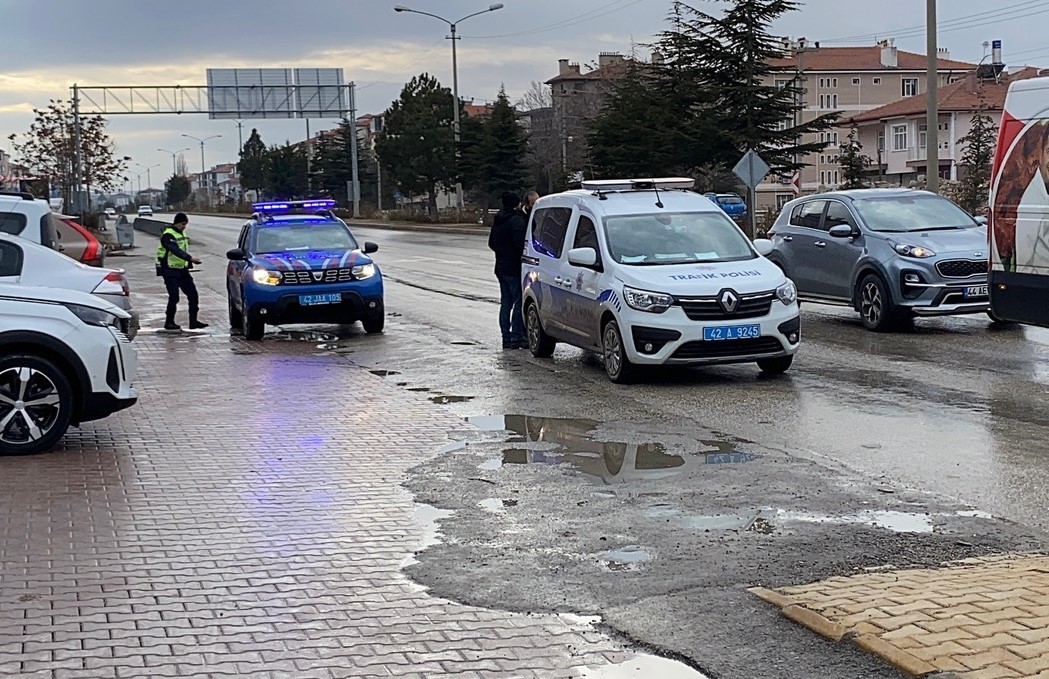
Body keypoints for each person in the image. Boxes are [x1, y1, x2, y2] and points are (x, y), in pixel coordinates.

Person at [488, 192, 528, 349]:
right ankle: (516, 336)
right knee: (519, 302)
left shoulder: (498, 220)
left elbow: (492, 243)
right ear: (516, 204)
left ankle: (506, 336)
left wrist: (502, 252)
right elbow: (519, 245)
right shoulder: (516, 221)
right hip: (514, 267)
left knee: (505, 302)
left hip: (501, 266)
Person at [156, 213, 207, 331]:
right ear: (177, 223)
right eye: (183, 224)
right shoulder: (168, 235)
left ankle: (193, 321)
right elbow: (175, 250)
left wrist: (187, 263)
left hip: (182, 270)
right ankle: (169, 322)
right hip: (169, 269)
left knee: (193, 295)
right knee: (174, 297)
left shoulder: (182, 234)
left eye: (186, 224)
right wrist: (190, 258)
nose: (184, 226)